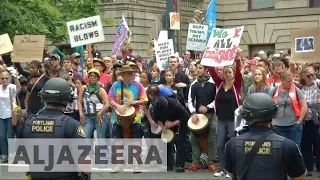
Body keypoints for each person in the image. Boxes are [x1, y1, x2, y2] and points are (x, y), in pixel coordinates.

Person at [17, 78, 91, 180]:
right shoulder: (72, 125)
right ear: (68, 98)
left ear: (43, 96)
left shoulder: (28, 123)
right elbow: (85, 165)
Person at [224, 93, 307, 180]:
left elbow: (230, 172)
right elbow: (299, 176)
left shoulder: (232, 144)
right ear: (274, 113)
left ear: (246, 115)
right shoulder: (288, 145)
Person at [148, 85, 189, 173]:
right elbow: (156, 119)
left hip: (180, 121)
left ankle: (180, 165)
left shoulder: (175, 104)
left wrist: (173, 123)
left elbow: (186, 116)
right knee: (166, 141)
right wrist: (162, 127)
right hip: (166, 122)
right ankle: (167, 164)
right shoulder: (156, 106)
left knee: (180, 142)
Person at [187, 62, 218, 172]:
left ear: (206, 70)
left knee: (211, 137)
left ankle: (211, 162)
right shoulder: (194, 84)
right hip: (197, 116)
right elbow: (190, 100)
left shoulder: (214, 83)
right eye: (197, 68)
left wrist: (208, 107)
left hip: (211, 115)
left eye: (200, 68)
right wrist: (193, 113)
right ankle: (196, 162)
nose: (198, 70)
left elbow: (217, 99)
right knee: (194, 138)